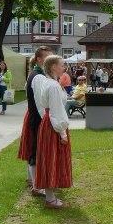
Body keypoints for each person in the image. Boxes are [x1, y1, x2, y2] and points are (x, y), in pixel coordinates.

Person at [33, 55, 72, 209]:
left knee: (48, 157)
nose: (64, 67)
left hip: (48, 123)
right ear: (53, 67)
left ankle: (50, 195)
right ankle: (50, 199)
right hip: (53, 125)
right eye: (62, 65)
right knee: (51, 158)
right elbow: (56, 111)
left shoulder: (47, 82)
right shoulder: (53, 85)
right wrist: (62, 131)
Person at [18, 46, 52, 197]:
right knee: (36, 151)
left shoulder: (39, 74)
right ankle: (37, 186)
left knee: (34, 149)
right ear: (39, 59)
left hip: (35, 117)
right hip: (37, 118)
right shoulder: (38, 76)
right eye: (47, 57)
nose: (50, 59)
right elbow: (40, 103)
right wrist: (46, 120)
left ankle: (33, 181)